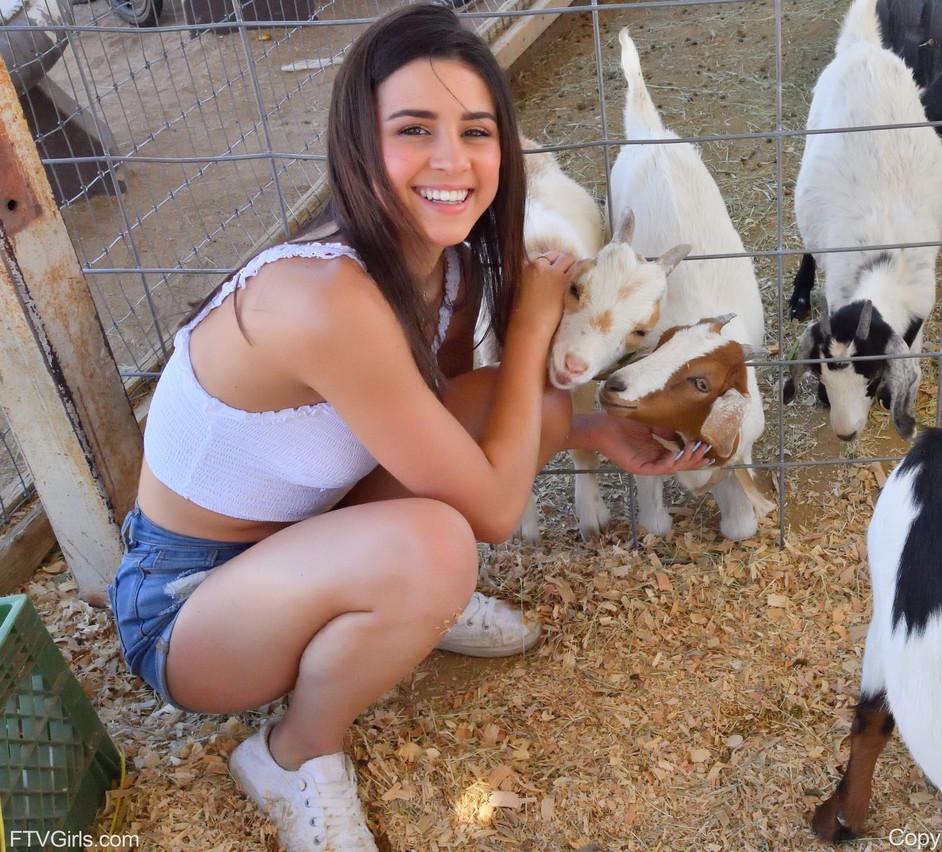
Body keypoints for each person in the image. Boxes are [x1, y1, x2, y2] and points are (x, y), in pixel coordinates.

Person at [105, 5, 713, 849]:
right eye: (414, 129)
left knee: (522, 398)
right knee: (439, 545)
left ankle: (395, 606)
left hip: (305, 538)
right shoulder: (325, 299)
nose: (452, 160)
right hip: (187, 608)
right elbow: (493, 513)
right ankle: (292, 754)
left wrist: (585, 431)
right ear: (360, 142)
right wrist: (536, 321)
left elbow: (457, 425)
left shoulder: (447, 261)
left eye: (476, 130)